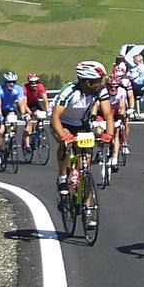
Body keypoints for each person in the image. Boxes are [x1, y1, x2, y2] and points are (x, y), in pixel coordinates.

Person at [51, 61, 115, 201]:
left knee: (85, 166)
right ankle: (62, 177)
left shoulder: (100, 91)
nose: (101, 83)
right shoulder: (69, 91)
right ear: (87, 82)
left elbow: (108, 114)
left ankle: (87, 207)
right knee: (66, 143)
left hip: (81, 124)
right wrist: (63, 136)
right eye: (98, 81)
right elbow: (55, 116)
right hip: (63, 123)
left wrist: (109, 135)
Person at [0, 71, 29, 155]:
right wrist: (0, 116)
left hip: (9, 109)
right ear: (5, 82)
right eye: (9, 82)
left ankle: (12, 140)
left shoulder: (18, 89)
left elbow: (21, 103)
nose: (11, 84)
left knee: (14, 121)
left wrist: (23, 114)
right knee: (0, 130)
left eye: (13, 82)